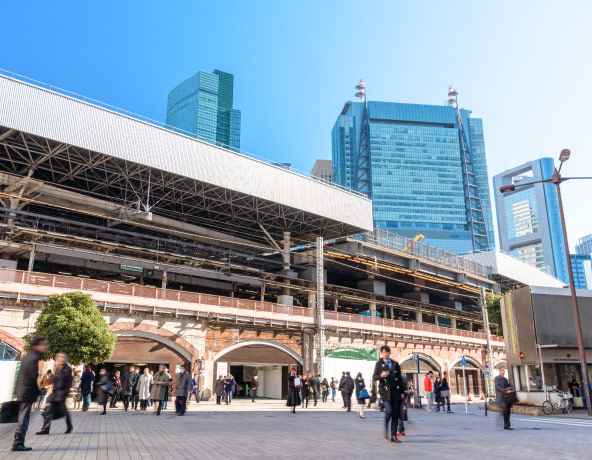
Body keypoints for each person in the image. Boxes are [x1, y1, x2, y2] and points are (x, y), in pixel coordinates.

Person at [12, 336, 47, 452]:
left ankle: (17, 443)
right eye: (43, 344)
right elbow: (32, 377)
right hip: (27, 393)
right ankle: (18, 443)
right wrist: (39, 391)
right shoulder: (33, 358)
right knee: (24, 419)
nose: (45, 347)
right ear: (36, 345)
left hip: (22, 391)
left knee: (22, 418)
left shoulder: (27, 356)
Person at [373, 345, 405, 443]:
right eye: (383, 352)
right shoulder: (379, 364)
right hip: (385, 392)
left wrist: (402, 392)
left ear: (389, 353)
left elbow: (400, 379)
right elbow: (374, 377)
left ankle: (393, 436)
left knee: (395, 414)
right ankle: (386, 426)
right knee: (389, 411)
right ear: (381, 353)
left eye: (386, 352)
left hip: (396, 392)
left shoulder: (395, 364)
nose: (385, 354)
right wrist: (381, 376)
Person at [37, 352, 73, 436]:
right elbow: (55, 381)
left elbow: (68, 382)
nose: (62, 358)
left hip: (61, 394)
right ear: (57, 358)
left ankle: (69, 426)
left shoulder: (68, 369)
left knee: (64, 412)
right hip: (54, 394)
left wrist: (65, 393)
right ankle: (45, 429)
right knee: (48, 411)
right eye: (60, 357)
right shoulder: (57, 368)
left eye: (63, 357)